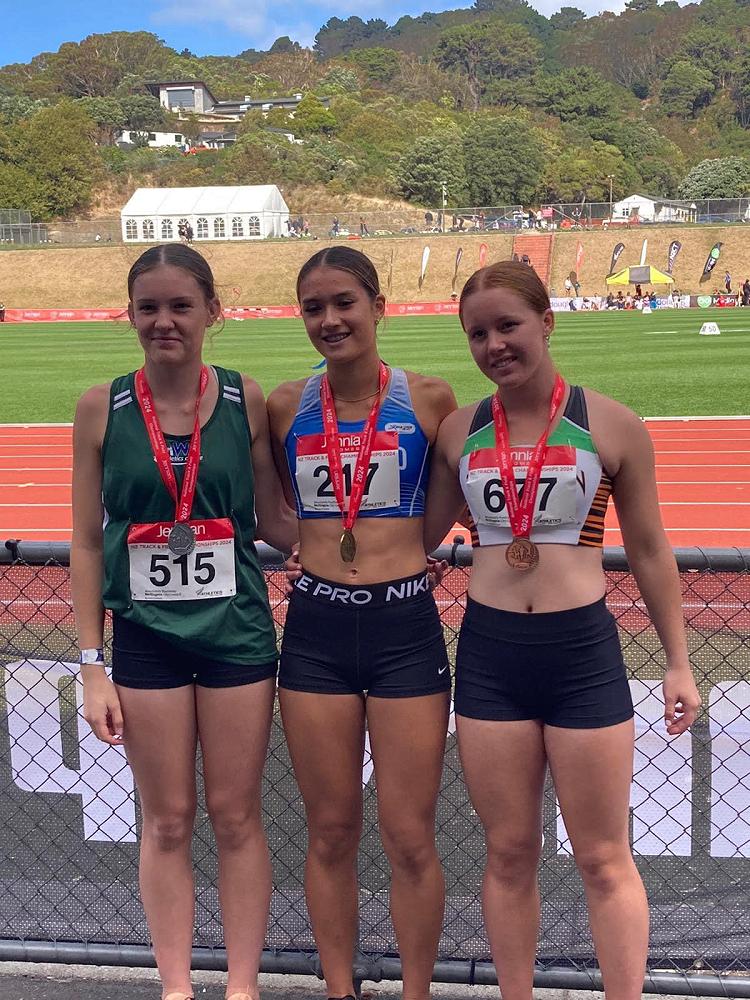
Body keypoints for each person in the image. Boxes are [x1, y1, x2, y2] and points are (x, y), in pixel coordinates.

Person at [422, 261, 701, 1000]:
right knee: (510, 852)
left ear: (546, 323)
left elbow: (650, 550)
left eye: (508, 325)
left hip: (582, 654)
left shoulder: (611, 424)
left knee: (604, 856)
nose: (494, 344)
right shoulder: (459, 431)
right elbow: (417, 535)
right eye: (477, 333)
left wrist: (677, 660)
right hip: (491, 655)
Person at [71, 243, 297, 1000]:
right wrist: (91, 664)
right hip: (147, 640)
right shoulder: (101, 407)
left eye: (180, 306)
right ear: (131, 315)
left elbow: (274, 521)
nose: (163, 321)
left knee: (235, 816)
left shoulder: (242, 398)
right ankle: (176, 987)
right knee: (166, 820)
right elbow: (85, 541)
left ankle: (242, 987)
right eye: (149, 308)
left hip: (236, 633)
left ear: (212, 313)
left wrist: (366, 540)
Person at [267, 245, 457, 1000]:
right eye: (313, 307)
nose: (330, 319)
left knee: (409, 836)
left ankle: (416, 991)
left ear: (379, 306)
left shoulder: (430, 399)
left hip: (404, 627)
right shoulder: (286, 405)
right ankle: (339, 989)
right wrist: (310, 546)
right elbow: (274, 508)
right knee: (331, 830)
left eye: (344, 302)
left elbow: (446, 503)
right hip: (317, 629)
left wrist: (409, 553)